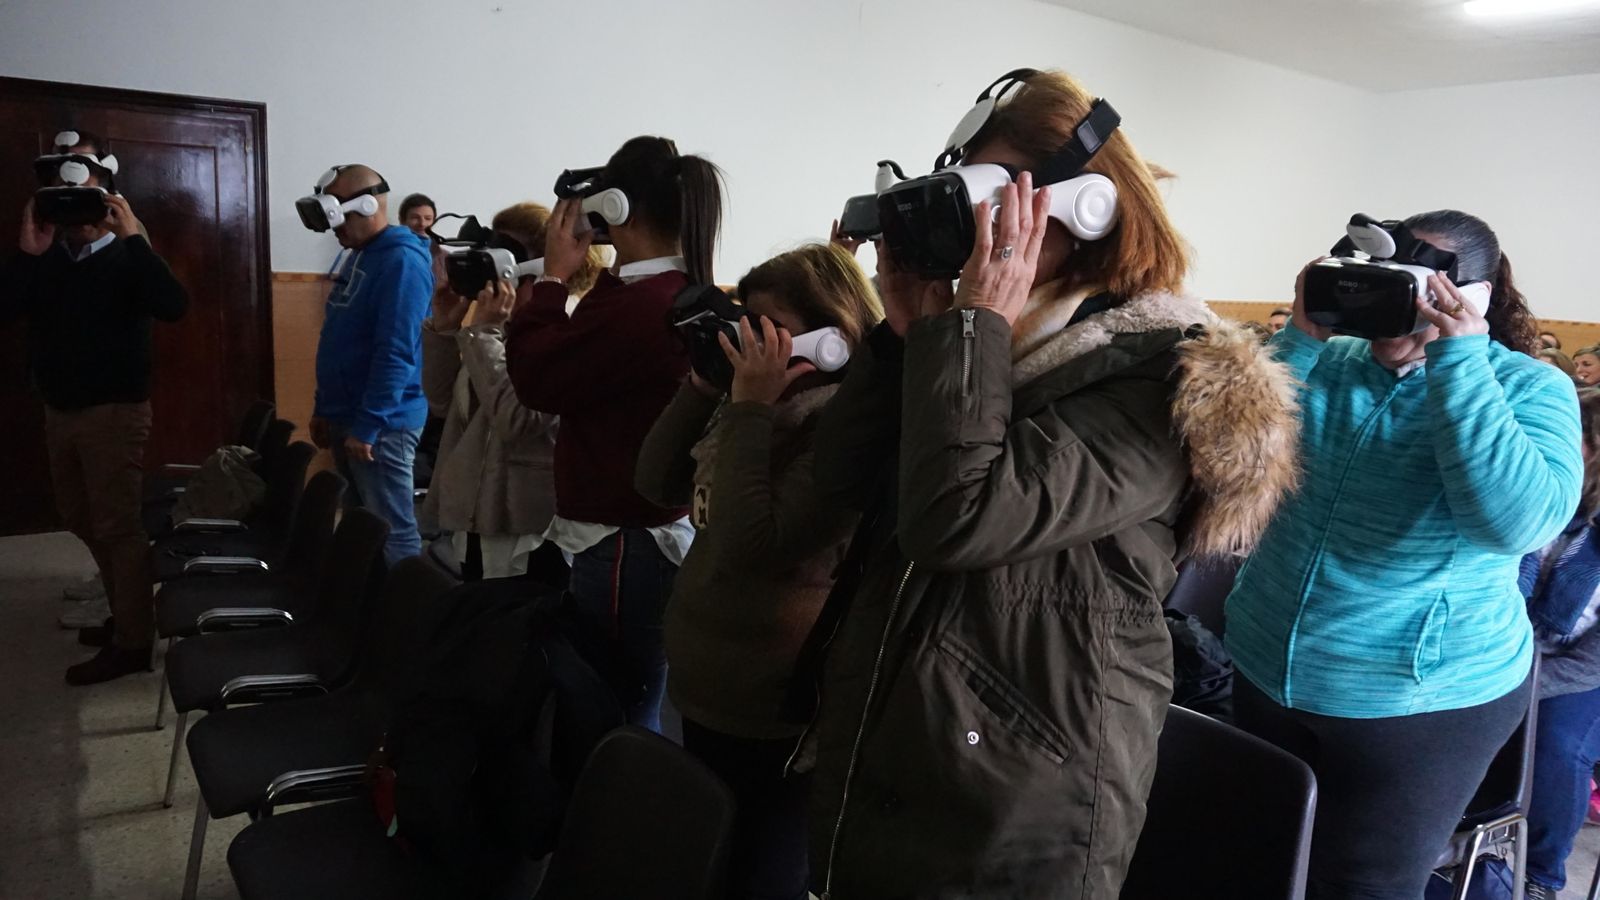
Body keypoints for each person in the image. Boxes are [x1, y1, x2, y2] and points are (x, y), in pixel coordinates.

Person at [798, 69, 1299, 898]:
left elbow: (957, 519)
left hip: (1018, 787)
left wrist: (973, 324)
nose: (974, 234)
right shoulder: (976, 337)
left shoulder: (1160, 376)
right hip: (905, 735)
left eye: (995, 205)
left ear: (1088, 208)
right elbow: (839, 480)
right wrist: (899, 336)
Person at [1225, 212, 1583, 900]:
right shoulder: (1327, 361)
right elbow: (1222, 466)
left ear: (1471, 296)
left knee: (1361, 886)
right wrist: (1300, 336)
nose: (1396, 313)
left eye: (1419, 291)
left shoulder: (1531, 388)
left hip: (1419, 698)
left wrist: (1459, 362)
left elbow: (1515, 523)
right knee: (1261, 857)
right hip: (1269, 663)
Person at [635, 243, 883, 899]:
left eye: (765, 327)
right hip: (705, 692)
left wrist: (748, 408)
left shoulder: (840, 429)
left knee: (757, 875)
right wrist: (704, 387)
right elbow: (654, 480)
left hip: (774, 711)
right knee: (709, 858)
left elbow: (757, 543)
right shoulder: (759, 400)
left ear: (831, 339)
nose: (746, 339)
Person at [506, 135, 723, 732]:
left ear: (618, 207)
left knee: (616, 710)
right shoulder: (652, 291)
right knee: (620, 698)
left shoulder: (645, 304)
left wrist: (552, 279)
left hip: (624, 542)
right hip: (632, 533)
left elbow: (538, 379)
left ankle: (623, 820)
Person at [1, 129, 188, 684]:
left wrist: (134, 239)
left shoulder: (130, 254)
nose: (73, 197)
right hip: (59, 409)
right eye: (62, 182)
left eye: (85, 181)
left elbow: (174, 306)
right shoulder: (46, 258)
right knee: (81, 519)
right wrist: (26, 253)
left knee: (117, 526)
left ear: (109, 190)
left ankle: (133, 642)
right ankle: (126, 612)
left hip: (114, 412)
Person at [420, 202, 602, 582]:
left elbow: (518, 420)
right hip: (474, 520)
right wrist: (445, 328)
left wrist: (483, 334)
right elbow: (441, 403)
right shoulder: (497, 326)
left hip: (527, 531)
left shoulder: (565, 327)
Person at [307, 164, 433, 566]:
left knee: (392, 532)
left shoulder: (402, 263)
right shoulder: (361, 256)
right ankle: (369, 613)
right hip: (353, 417)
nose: (333, 230)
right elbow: (339, 339)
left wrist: (369, 424)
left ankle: (405, 621)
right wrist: (324, 407)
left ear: (364, 205)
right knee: (362, 529)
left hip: (383, 425)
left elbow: (396, 351)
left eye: (337, 217)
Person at [1523, 389, 1600, 900]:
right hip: (1508, 652)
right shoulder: (1538, 499)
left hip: (1581, 671)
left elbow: (1592, 660)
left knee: (1556, 743)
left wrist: (1518, 687)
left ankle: (1540, 876)